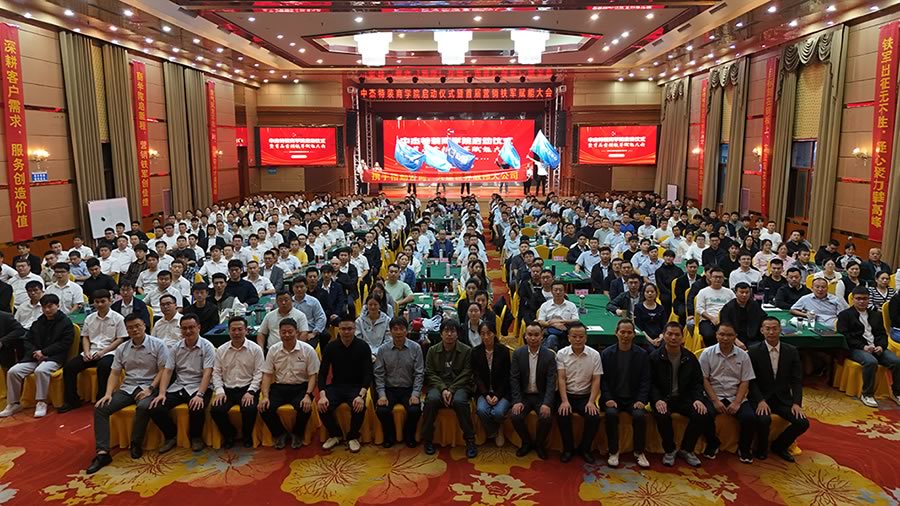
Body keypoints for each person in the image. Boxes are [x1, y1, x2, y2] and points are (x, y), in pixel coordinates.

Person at [85, 314, 169, 473]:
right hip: (128, 387)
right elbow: (115, 373)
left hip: (149, 386)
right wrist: (108, 393)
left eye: (137, 326)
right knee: (101, 408)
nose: (134, 330)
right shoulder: (122, 348)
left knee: (143, 406)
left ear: (144, 326)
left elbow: (163, 370)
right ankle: (102, 453)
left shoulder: (158, 345)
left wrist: (150, 389)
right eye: (130, 328)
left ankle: (136, 443)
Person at [148, 314, 215, 453]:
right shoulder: (176, 347)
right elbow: (167, 371)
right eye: (184, 328)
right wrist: (161, 393)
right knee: (156, 407)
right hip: (180, 385)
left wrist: (200, 395)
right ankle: (171, 436)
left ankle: (196, 437)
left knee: (197, 407)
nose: (188, 331)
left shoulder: (207, 347)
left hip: (200, 385)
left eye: (191, 327)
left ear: (199, 327)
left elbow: (207, 373)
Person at [0, 294, 74, 419]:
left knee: (41, 370)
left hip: (54, 357)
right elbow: (28, 340)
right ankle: (13, 403)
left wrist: (44, 352)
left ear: (58, 306)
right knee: (13, 371)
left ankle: (41, 401)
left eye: (50, 306)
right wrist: (35, 352)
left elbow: (64, 343)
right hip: (34, 357)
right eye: (44, 307)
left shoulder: (66, 323)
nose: (47, 310)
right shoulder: (38, 322)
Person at [748, 317, 809, 462]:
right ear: (762, 331)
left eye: (775, 328)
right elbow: (751, 380)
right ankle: (761, 448)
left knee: (802, 423)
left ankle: (780, 446)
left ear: (780, 330)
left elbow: (796, 380)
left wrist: (796, 403)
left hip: (783, 398)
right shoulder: (753, 351)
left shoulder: (791, 351)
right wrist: (760, 400)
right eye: (767, 329)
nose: (771, 332)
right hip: (762, 397)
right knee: (763, 419)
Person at [649, 322, 710, 467]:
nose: (673, 338)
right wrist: (657, 400)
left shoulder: (690, 357)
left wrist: (698, 399)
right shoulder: (654, 357)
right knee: (662, 414)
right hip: (663, 398)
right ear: (664, 335)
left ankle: (687, 449)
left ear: (682, 337)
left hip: (684, 398)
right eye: (670, 334)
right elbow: (650, 383)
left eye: (677, 335)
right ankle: (669, 450)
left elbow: (697, 382)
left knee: (701, 413)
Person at [58, 290, 127, 413]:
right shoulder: (89, 318)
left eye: (103, 301)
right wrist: (86, 352)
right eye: (97, 302)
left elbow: (120, 339)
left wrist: (103, 352)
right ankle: (72, 400)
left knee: (104, 366)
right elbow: (85, 337)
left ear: (110, 301)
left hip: (110, 352)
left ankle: (102, 399)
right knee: (69, 367)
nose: (100, 304)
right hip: (92, 351)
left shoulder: (118, 318)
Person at [699, 322, 757, 463]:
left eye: (729, 335)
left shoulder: (743, 356)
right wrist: (715, 401)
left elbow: (745, 381)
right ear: (716, 335)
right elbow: (704, 379)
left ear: (735, 336)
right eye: (722, 334)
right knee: (704, 414)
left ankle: (744, 448)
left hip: (735, 394)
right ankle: (713, 443)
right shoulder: (707, 353)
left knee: (749, 417)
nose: (725, 338)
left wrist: (737, 402)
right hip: (713, 394)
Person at [258, 317, 320, 449]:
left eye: (290, 332)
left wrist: (308, 395)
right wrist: (265, 396)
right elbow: (267, 374)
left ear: (296, 332)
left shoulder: (307, 350)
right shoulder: (273, 350)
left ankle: (297, 434)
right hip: (280, 387)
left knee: (304, 407)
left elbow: (313, 376)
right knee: (264, 408)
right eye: (283, 332)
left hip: (301, 387)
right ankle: (280, 434)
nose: (287, 335)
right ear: (279, 333)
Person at [318, 315, 374, 453]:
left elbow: (368, 374)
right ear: (339, 329)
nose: (346, 332)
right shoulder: (331, 347)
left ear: (355, 329)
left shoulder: (363, 347)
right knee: (322, 406)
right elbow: (322, 374)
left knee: (359, 406)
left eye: (350, 329)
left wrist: (361, 395)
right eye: (343, 329)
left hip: (357, 386)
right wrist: (322, 395)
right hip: (337, 386)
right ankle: (335, 434)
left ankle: (353, 436)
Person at [836, 287, 900, 408]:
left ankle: (897, 393)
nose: (861, 301)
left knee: (897, 362)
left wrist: (881, 346)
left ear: (868, 300)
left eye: (865, 299)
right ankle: (867, 394)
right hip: (855, 348)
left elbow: (882, 334)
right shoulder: (845, 315)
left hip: (876, 347)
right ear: (853, 299)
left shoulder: (876, 315)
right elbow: (845, 336)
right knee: (871, 362)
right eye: (858, 299)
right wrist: (863, 346)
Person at [422, 320, 476, 458]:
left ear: (458, 334)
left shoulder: (467, 350)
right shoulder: (432, 350)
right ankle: (427, 439)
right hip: (438, 385)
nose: (449, 334)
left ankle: (470, 439)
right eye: (446, 331)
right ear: (441, 334)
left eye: (453, 331)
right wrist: (443, 389)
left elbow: (467, 373)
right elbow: (429, 373)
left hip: (460, 385)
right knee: (431, 400)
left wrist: (451, 389)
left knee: (459, 401)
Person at [600, 320, 651, 468]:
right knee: (610, 414)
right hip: (613, 398)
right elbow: (602, 380)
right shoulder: (606, 354)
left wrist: (641, 400)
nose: (625, 335)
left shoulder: (642, 354)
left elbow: (645, 380)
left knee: (640, 416)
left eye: (629, 332)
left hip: (633, 399)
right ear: (616, 333)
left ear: (634, 334)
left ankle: (639, 452)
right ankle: (613, 451)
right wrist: (608, 398)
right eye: (622, 332)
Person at [211, 316, 265, 449]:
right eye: (233, 330)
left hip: (247, 387)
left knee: (249, 409)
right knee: (216, 410)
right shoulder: (221, 350)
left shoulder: (255, 349)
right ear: (228, 331)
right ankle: (230, 435)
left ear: (246, 330)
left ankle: (247, 435)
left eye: (240, 329)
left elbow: (259, 373)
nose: (236, 333)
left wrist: (251, 391)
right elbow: (216, 373)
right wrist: (219, 391)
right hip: (227, 388)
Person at [374, 317, 424, 449]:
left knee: (415, 410)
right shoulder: (383, 350)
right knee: (382, 410)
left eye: (401, 329)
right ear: (390, 331)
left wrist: (415, 393)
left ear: (407, 330)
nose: (398, 332)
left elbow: (419, 373)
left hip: (408, 388)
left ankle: (409, 435)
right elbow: (379, 374)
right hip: (389, 389)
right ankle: (389, 436)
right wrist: (381, 395)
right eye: (395, 329)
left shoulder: (416, 348)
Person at [556, 322, 601, 463]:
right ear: (568, 338)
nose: (577, 339)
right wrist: (564, 401)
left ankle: (585, 448)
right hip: (567, 394)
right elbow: (561, 378)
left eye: (581, 337)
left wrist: (591, 401)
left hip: (585, 396)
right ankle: (568, 449)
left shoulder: (594, 355)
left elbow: (596, 379)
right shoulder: (561, 354)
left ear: (586, 338)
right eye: (574, 336)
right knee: (562, 414)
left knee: (594, 417)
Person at [509, 323, 556, 459]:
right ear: (525, 336)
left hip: (541, 395)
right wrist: (517, 400)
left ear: (542, 337)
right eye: (530, 335)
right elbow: (514, 379)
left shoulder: (549, 355)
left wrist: (547, 403)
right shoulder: (518, 353)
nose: (533, 338)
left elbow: (551, 382)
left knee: (546, 417)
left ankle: (539, 444)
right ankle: (526, 442)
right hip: (524, 395)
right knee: (515, 416)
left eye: (536, 335)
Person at [472, 321, 511, 447]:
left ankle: (498, 428)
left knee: (498, 412)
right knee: (481, 410)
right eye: (482, 334)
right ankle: (495, 430)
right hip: (483, 391)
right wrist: (486, 394)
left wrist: (498, 395)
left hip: (502, 391)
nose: (486, 337)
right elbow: (477, 377)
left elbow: (506, 377)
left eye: (489, 333)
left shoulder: (503, 351)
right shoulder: (476, 352)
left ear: (494, 333)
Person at [695, 267, 736, 346]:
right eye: (715, 277)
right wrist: (711, 318)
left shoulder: (729, 292)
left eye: (720, 277)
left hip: (726, 320)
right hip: (707, 320)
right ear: (710, 278)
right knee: (709, 335)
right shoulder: (703, 292)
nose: (718, 279)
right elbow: (699, 309)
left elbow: (734, 306)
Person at [719, 282, 766, 350]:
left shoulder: (754, 305)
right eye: (741, 292)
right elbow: (725, 326)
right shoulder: (728, 308)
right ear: (736, 293)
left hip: (752, 337)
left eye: (747, 292)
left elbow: (763, 318)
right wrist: (735, 340)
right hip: (734, 338)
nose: (744, 295)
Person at [536, 281, 580, 350]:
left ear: (564, 291)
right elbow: (541, 321)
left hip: (566, 331)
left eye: (560, 290)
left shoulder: (571, 305)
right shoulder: (545, 305)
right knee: (552, 338)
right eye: (555, 290)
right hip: (550, 331)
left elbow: (576, 320)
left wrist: (560, 321)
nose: (558, 292)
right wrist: (553, 324)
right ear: (551, 291)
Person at [291, 277, 328, 349]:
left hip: (310, 332)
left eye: (302, 287)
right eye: (296, 287)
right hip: (292, 333)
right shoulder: (289, 302)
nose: (299, 289)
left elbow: (321, 318)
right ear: (292, 288)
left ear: (306, 287)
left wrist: (314, 333)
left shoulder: (313, 301)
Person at [634, 283, 667, 348]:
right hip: (645, 338)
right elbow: (639, 326)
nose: (650, 293)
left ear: (656, 293)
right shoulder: (638, 307)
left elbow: (664, 325)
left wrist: (660, 338)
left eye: (652, 291)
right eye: (647, 292)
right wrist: (651, 341)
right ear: (643, 293)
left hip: (659, 338)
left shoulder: (661, 308)